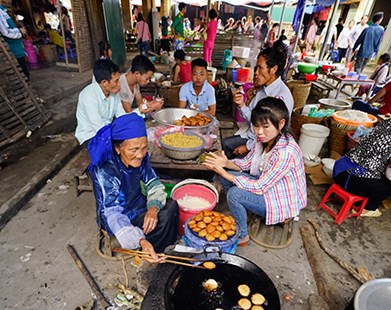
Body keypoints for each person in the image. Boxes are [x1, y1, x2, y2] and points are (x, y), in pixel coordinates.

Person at [204, 97, 307, 246]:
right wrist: (225, 163)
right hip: (268, 188)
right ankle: (242, 210)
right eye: (256, 126)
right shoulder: (265, 140)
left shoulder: (285, 152)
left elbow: (260, 187)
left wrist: (223, 172)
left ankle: (242, 235)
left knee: (234, 193)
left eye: (265, 126)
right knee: (227, 178)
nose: (259, 132)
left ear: (281, 123)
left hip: (280, 201)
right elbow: (246, 163)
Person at [89, 113, 179, 259]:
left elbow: (153, 183)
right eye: (134, 149)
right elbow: (111, 213)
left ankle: (161, 248)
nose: (140, 154)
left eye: (144, 148)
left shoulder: (141, 157)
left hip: (139, 205)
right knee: (163, 222)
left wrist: (153, 208)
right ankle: (152, 253)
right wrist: (140, 240)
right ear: (118, 148)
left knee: (172, 206)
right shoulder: (106, 170)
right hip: (119, 216)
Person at [223, 47, 294, 159]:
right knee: (225, 144)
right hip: (252, 136)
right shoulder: (262, 90)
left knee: (227, 149)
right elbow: (253, 118)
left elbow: (272, 135)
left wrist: (248, 147)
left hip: (264, 146)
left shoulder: (281, 96)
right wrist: (241, 105)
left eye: (260, 68)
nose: (256, 73)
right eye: (256, 68)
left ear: (274, 69)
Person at [75, 59, 145, 145]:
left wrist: (140, 111)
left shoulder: (113, 93)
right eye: (116, 81)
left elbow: (122, 117)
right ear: (104, 82)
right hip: (91, 136)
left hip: (108, 131)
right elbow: (100, 129)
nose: (119, 84)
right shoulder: (88, 95)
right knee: (124, 147)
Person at [0, 3, 29, 79]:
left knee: (24, 73)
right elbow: (6, 32)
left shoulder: (2, 11)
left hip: (17, 47)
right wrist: (20, 31)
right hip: (13, 49)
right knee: (23, 74)